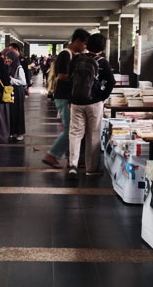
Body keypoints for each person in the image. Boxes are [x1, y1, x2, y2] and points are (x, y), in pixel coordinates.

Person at [66, 33, 115, 180]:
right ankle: (91, 169)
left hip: (76, 102)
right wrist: (102, 97)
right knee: (93, 135)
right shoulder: (102, 62)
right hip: (94, 102)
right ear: (102, 47)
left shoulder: (76, 59)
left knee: (75, 133)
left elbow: (70, 80)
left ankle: (73, 165)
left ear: (87, 45)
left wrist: (71, 99)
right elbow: (111, 82)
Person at [42, 29, 89, 168]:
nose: (85, 47)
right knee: (70, 129)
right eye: (84, 44)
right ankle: (51, 155)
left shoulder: (73, 55)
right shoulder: (65, 54)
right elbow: (62, 75)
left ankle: (71, 159)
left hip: (68, 96)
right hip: (64, 96)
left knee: (72, 129)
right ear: (77, 41)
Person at [4, 49, 27, 141]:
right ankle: (13, 131)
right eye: (6, 58)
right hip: (12, 91)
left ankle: (20, 132)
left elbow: (23, 82)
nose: (7, 60)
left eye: (9, 58)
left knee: (18, 112)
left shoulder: (19, 68)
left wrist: (11, 80)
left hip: (18, 92)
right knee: (12, 112)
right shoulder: (9, 67)